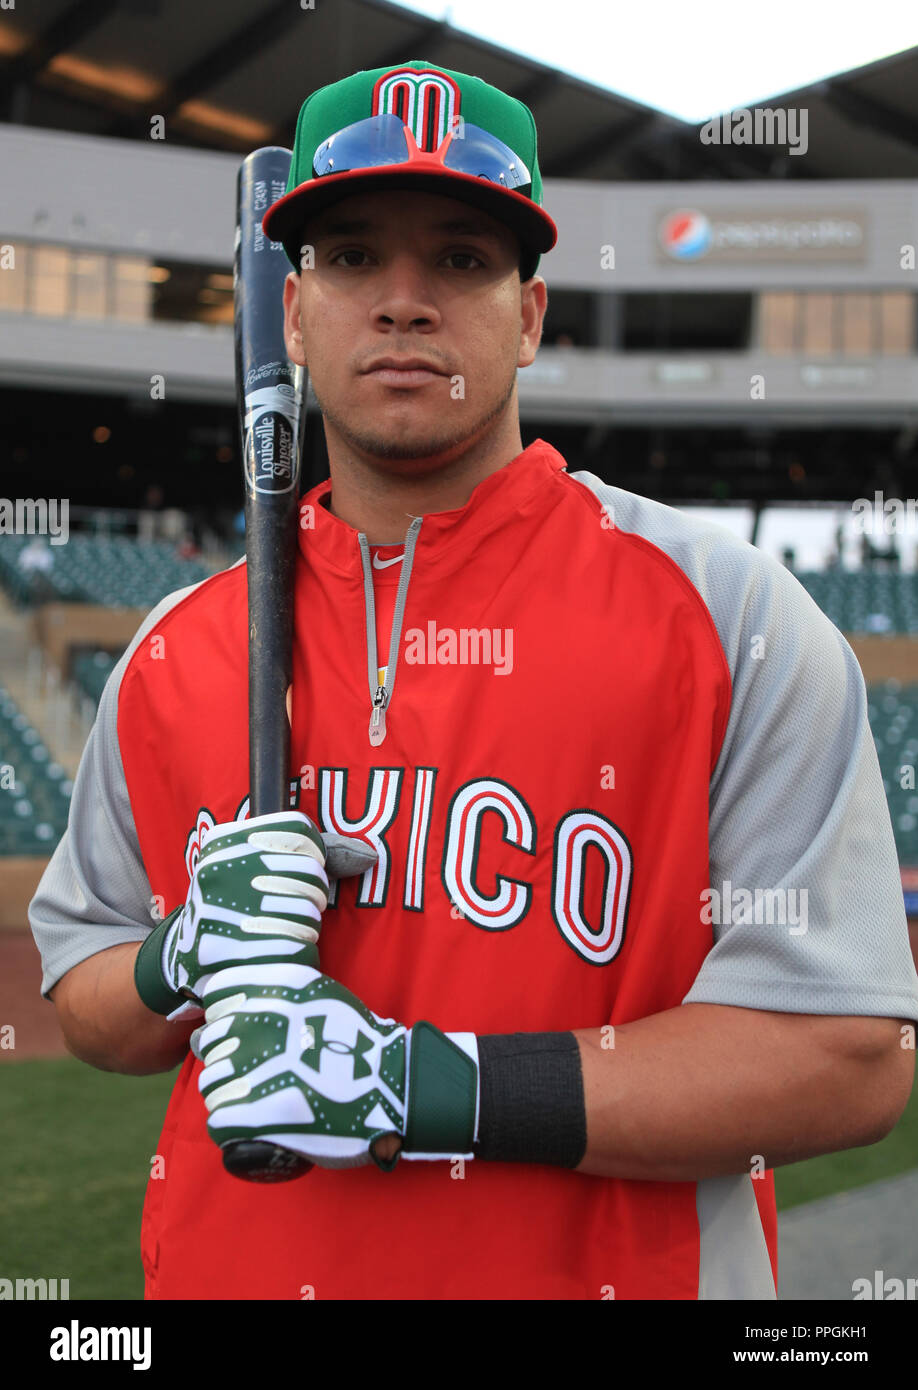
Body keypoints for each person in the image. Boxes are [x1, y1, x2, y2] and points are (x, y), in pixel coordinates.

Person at [30, 59, 918, 1302]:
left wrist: (423, 1086)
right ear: (291, 317)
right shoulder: (181, 646)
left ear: (531, 313)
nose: (402, 302)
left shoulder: (731, 616)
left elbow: (849, 1060)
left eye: (460, 258)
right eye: (348, 257)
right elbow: (88, 1006)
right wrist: (180, 953)